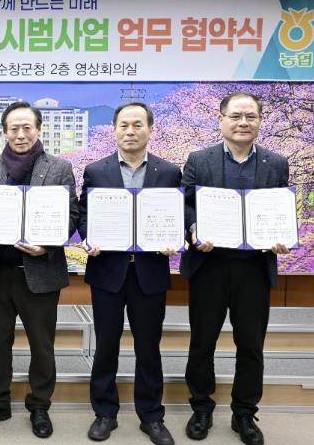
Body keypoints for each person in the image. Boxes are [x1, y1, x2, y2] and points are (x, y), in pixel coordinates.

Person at [181, 92, 289, 445]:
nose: (243, 123)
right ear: (221, 119)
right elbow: (185, 206)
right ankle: (201, 407)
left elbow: (278, 208)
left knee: (251, 345)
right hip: (209, 266)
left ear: (259, 120)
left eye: (250, 116)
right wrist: (194, 229)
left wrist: (280, 236)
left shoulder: (276, 163)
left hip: (254, 268)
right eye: (236, 116)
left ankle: (244, 413)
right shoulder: (199, 160)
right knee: (202, 342)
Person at [0, 101, 78, 439]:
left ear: (38, 129)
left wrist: (48, 245)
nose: (21, 134)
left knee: (42, 346)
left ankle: (39, 406)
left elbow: (72, 215)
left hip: (40, 271)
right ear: (5, 131)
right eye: (14, 128)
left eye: (27, 128)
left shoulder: (59, 167)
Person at [78, 102, 180, 445]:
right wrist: (88, 236)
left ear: (150, 129)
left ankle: (151, 416)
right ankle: (104, 413)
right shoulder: (96, 170)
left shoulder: (169, 172)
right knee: (106, 345)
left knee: (148, 348)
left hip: (150, 272)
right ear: (114, 129)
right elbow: (84, 213)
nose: (130, 131)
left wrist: (174, 238)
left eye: (138, 124)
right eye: (124, 125)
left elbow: (177, 214)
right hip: (108, 271)